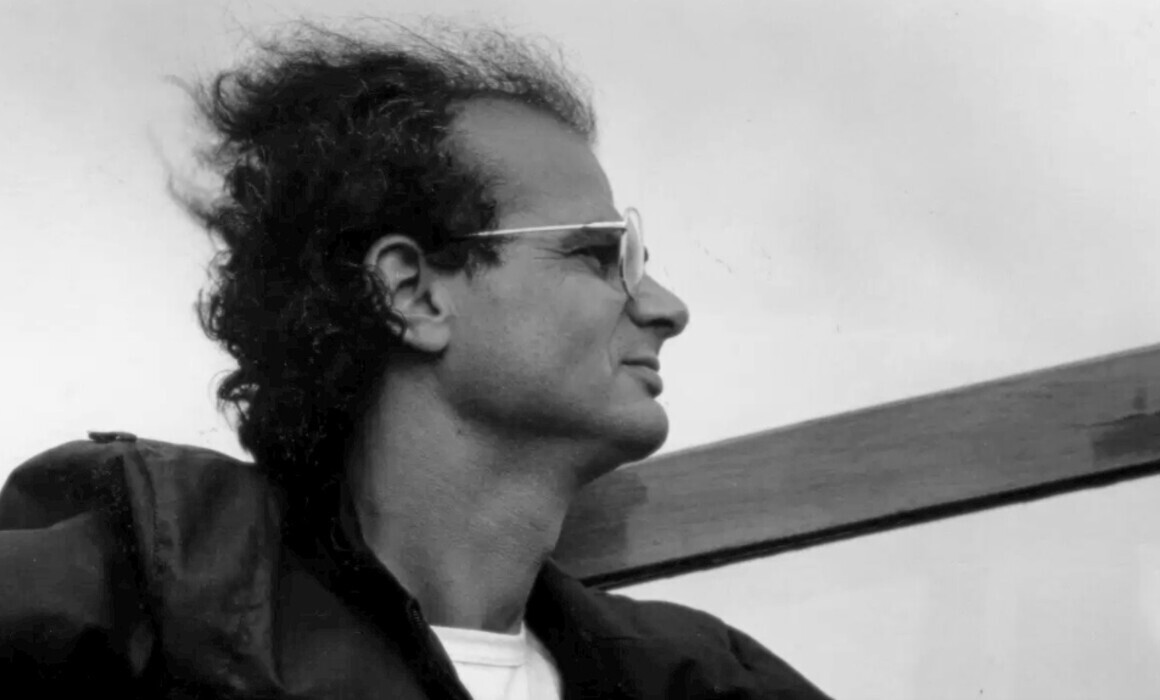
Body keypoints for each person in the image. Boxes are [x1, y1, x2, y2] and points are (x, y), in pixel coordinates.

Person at [0, 23, 833, 699]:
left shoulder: (706, 682)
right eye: (597, 254)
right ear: (413, 293)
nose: (667, 307)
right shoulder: (152, 578)